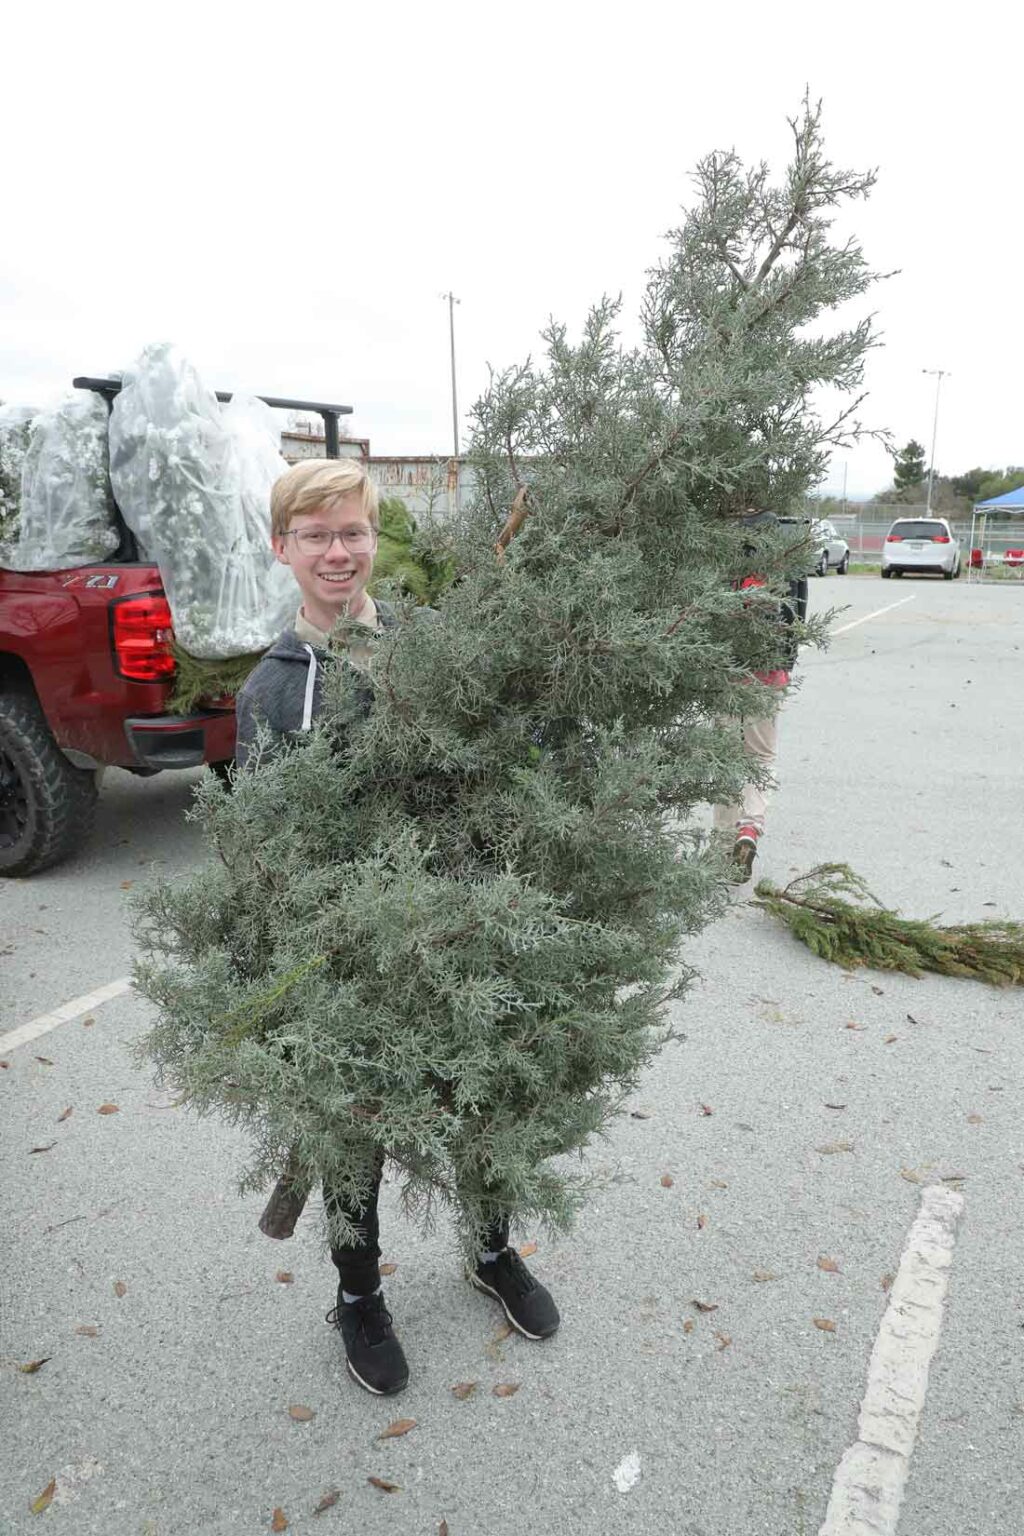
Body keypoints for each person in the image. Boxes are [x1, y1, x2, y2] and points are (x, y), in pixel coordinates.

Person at [234, 459, 559, 1397]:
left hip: (459, 934)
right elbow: (261, 844)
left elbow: (494, 765)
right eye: (317, 535)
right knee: (353, 1131)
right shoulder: (272, 690)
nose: (339, 552)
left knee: (485, 1100)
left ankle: (491, 1250)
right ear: (282, 548)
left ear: (376, 539)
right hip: (346, 959)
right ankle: (357, 1293)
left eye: (354, 532)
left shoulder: (430, 647)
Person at [712, 509, 807, 882]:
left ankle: (721, 843)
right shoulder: (789, 562)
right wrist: (788, 663)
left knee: (724, 756)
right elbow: (799, 617)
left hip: (728, 674)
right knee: (761, 757)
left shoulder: (729, 564)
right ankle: (748, 830)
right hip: (768, 675)